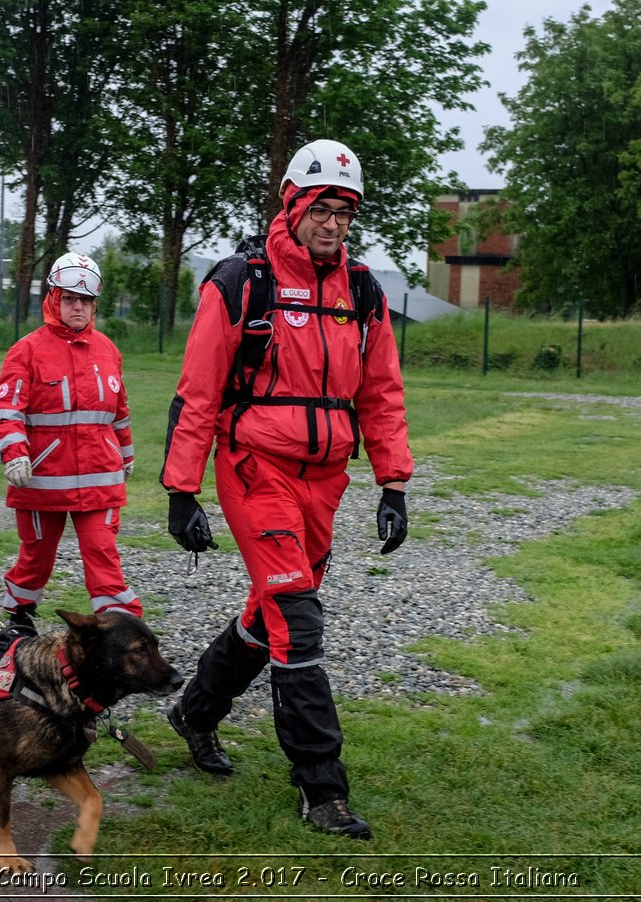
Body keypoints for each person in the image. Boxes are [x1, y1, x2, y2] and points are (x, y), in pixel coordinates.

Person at [159, 139, 412, 839]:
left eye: (345, 213)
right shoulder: (242, 282)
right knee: (298, 623)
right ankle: (322, 789)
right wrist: (183, 490)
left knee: (269, 611)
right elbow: (199, 392)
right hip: (254, 469)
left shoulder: (362, 293)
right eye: (322, 209)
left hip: (326, 481)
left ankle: (193, 715)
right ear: (294, 205)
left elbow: (383, 394)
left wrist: (393, 482)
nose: (333, 225)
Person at [0, 252, 140, 633]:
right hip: (41, 482)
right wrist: (14, 454)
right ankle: (20, 616)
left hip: (99, 480)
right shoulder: (26, 350)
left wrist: (126, 453)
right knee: (35, 557)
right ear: (54, 299)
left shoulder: (108, 350)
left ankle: (122, 635)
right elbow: (6, 411)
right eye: (70, 299)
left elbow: (118, 410)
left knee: (104, 556)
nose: (78, 307)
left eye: (85, 301)